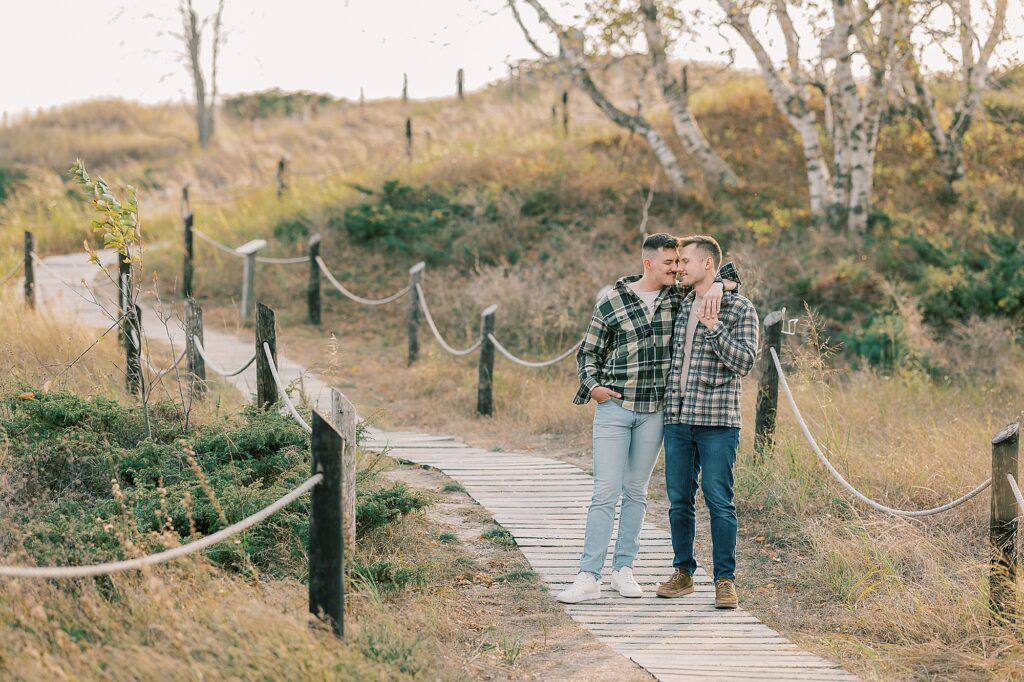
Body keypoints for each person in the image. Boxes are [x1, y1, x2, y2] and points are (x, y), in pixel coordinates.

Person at [558, 233, 739, 604]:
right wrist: (594, 387)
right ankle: (588, 575)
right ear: (648, 263)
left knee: (636, 492)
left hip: (655, 413)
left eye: (679, 261)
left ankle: (623, 569)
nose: (676, 268)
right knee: (605, 492)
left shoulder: (679, 297)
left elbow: (723, 272)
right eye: (669, 262)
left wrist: (721, 284)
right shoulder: (613, 300)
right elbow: (588, 352)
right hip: (615, 409)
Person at [656, 235, 758, 609]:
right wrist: (722, 282)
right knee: (679, 500)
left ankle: (725, 580)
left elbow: (744, 363)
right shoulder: (681, 302)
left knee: (719, 501)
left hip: (718, 421)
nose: (679, 267)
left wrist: (715, 326)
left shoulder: (741, 308)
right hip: (677, 418)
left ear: (708, 264)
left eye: (686, 261)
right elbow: (649, 278)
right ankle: (683, 572)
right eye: (678, 262)